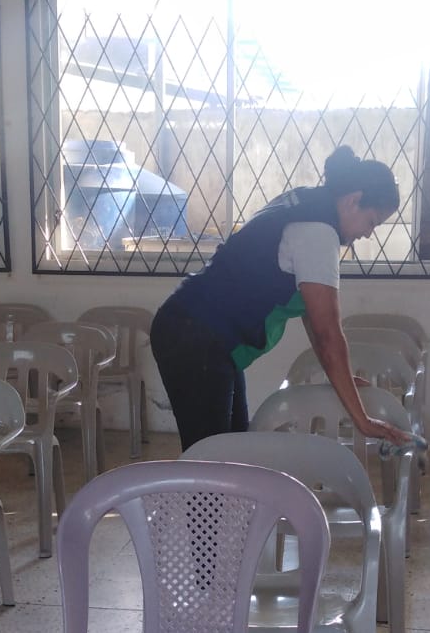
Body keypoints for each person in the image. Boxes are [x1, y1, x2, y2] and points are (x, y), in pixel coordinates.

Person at [151, 146, 413, 451]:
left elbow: (315, 319)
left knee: (230, 450)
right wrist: (363, 421)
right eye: (371, 222)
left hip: (200, 334)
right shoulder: (318, 232)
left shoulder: (307, 203)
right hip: (195, 337)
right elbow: (328, 336)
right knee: (211, 459)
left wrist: (343, 381)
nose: (368, 234)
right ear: (354, 200)